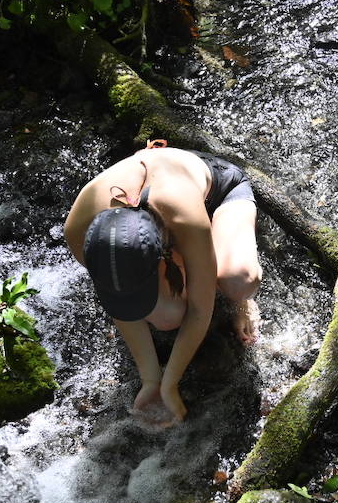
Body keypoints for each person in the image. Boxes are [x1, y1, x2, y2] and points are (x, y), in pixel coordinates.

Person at [64, 140, 261, 425]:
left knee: (237, 281)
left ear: (160, 255)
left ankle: (241, 293)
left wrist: (172, 383)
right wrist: (151, 380)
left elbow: (199, 310)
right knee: (167, 316)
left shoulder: (184, 216)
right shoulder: (81, 234)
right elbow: (120, 302)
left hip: (219, 188)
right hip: (163, 209)